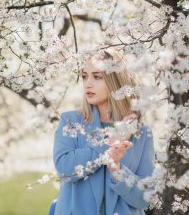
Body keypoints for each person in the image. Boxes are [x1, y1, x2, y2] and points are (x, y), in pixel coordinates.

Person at [52, 50, 155, 215]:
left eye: (97, 77)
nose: (88, 84)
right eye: (85, 76)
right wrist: (107, 142)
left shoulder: (141, 132)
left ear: (115, 80)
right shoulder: (70, 122)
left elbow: (145, 197)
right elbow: (65, 170)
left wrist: (118, 170)